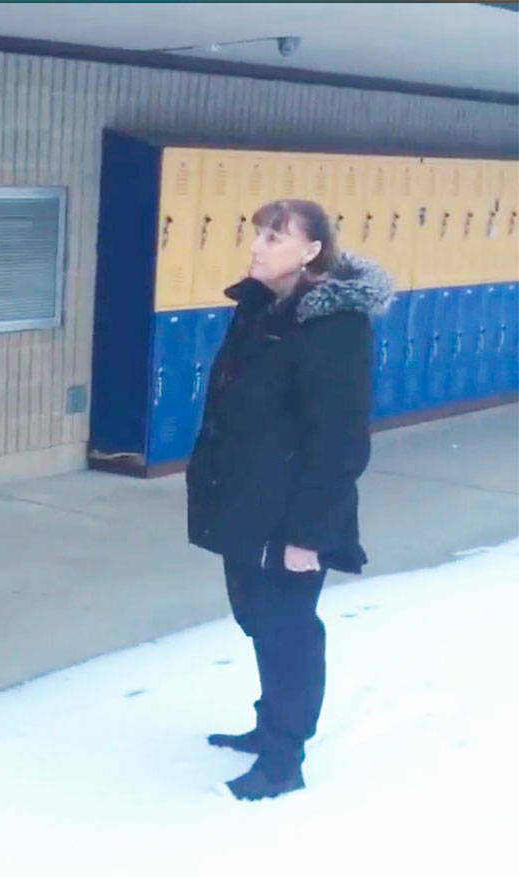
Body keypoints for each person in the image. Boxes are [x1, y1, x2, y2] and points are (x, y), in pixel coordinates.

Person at [186, 198, 393, 801]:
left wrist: (308, 535)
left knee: (287, 629)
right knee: (256, 618)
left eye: (275, 238)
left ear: (311, 252)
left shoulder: (333, 327)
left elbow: (340, 442)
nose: (257, 246)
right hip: (245, 504)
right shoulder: (259, 308)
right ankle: (268, 725)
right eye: (258, 234)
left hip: (290, 514)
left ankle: (283, 760)